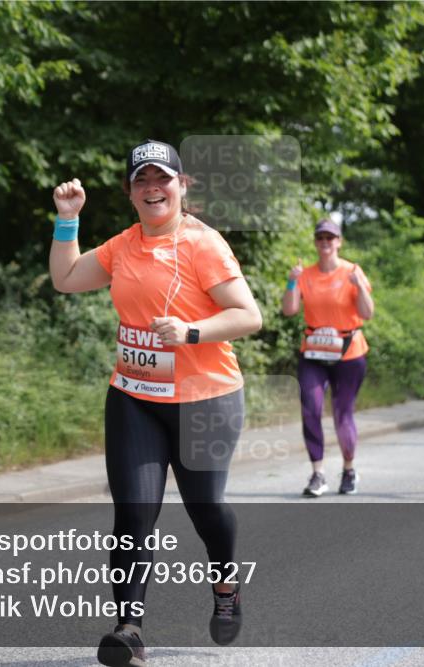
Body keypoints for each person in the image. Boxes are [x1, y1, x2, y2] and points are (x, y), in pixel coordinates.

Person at [49, 139, 263, 666]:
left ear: (181, 186)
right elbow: (66, 278)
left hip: (205, 398)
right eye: (141, 181)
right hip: (135, 396)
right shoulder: (123, 245)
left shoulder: (203, 244)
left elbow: (248, 315)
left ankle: (226, 586)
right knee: (133, 513)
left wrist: (190, 332)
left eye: (162, 179)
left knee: (206, 509)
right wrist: (68, 220)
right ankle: (129, 630)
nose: (152, 189)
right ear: (130, 192)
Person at [282, 219, 374, 497]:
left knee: (342, 415)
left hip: (349, 351)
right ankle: (318, 474)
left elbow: (368, 313)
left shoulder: (353, 271)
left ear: (339, 242)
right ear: (315, 242)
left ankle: (348, 470)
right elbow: (289, 310)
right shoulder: (305, 274)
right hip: (313, 352)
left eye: (330, 238)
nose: (325, 243)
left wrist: (359, 286)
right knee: (310, 407)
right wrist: (291, 281)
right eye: (320, 238)